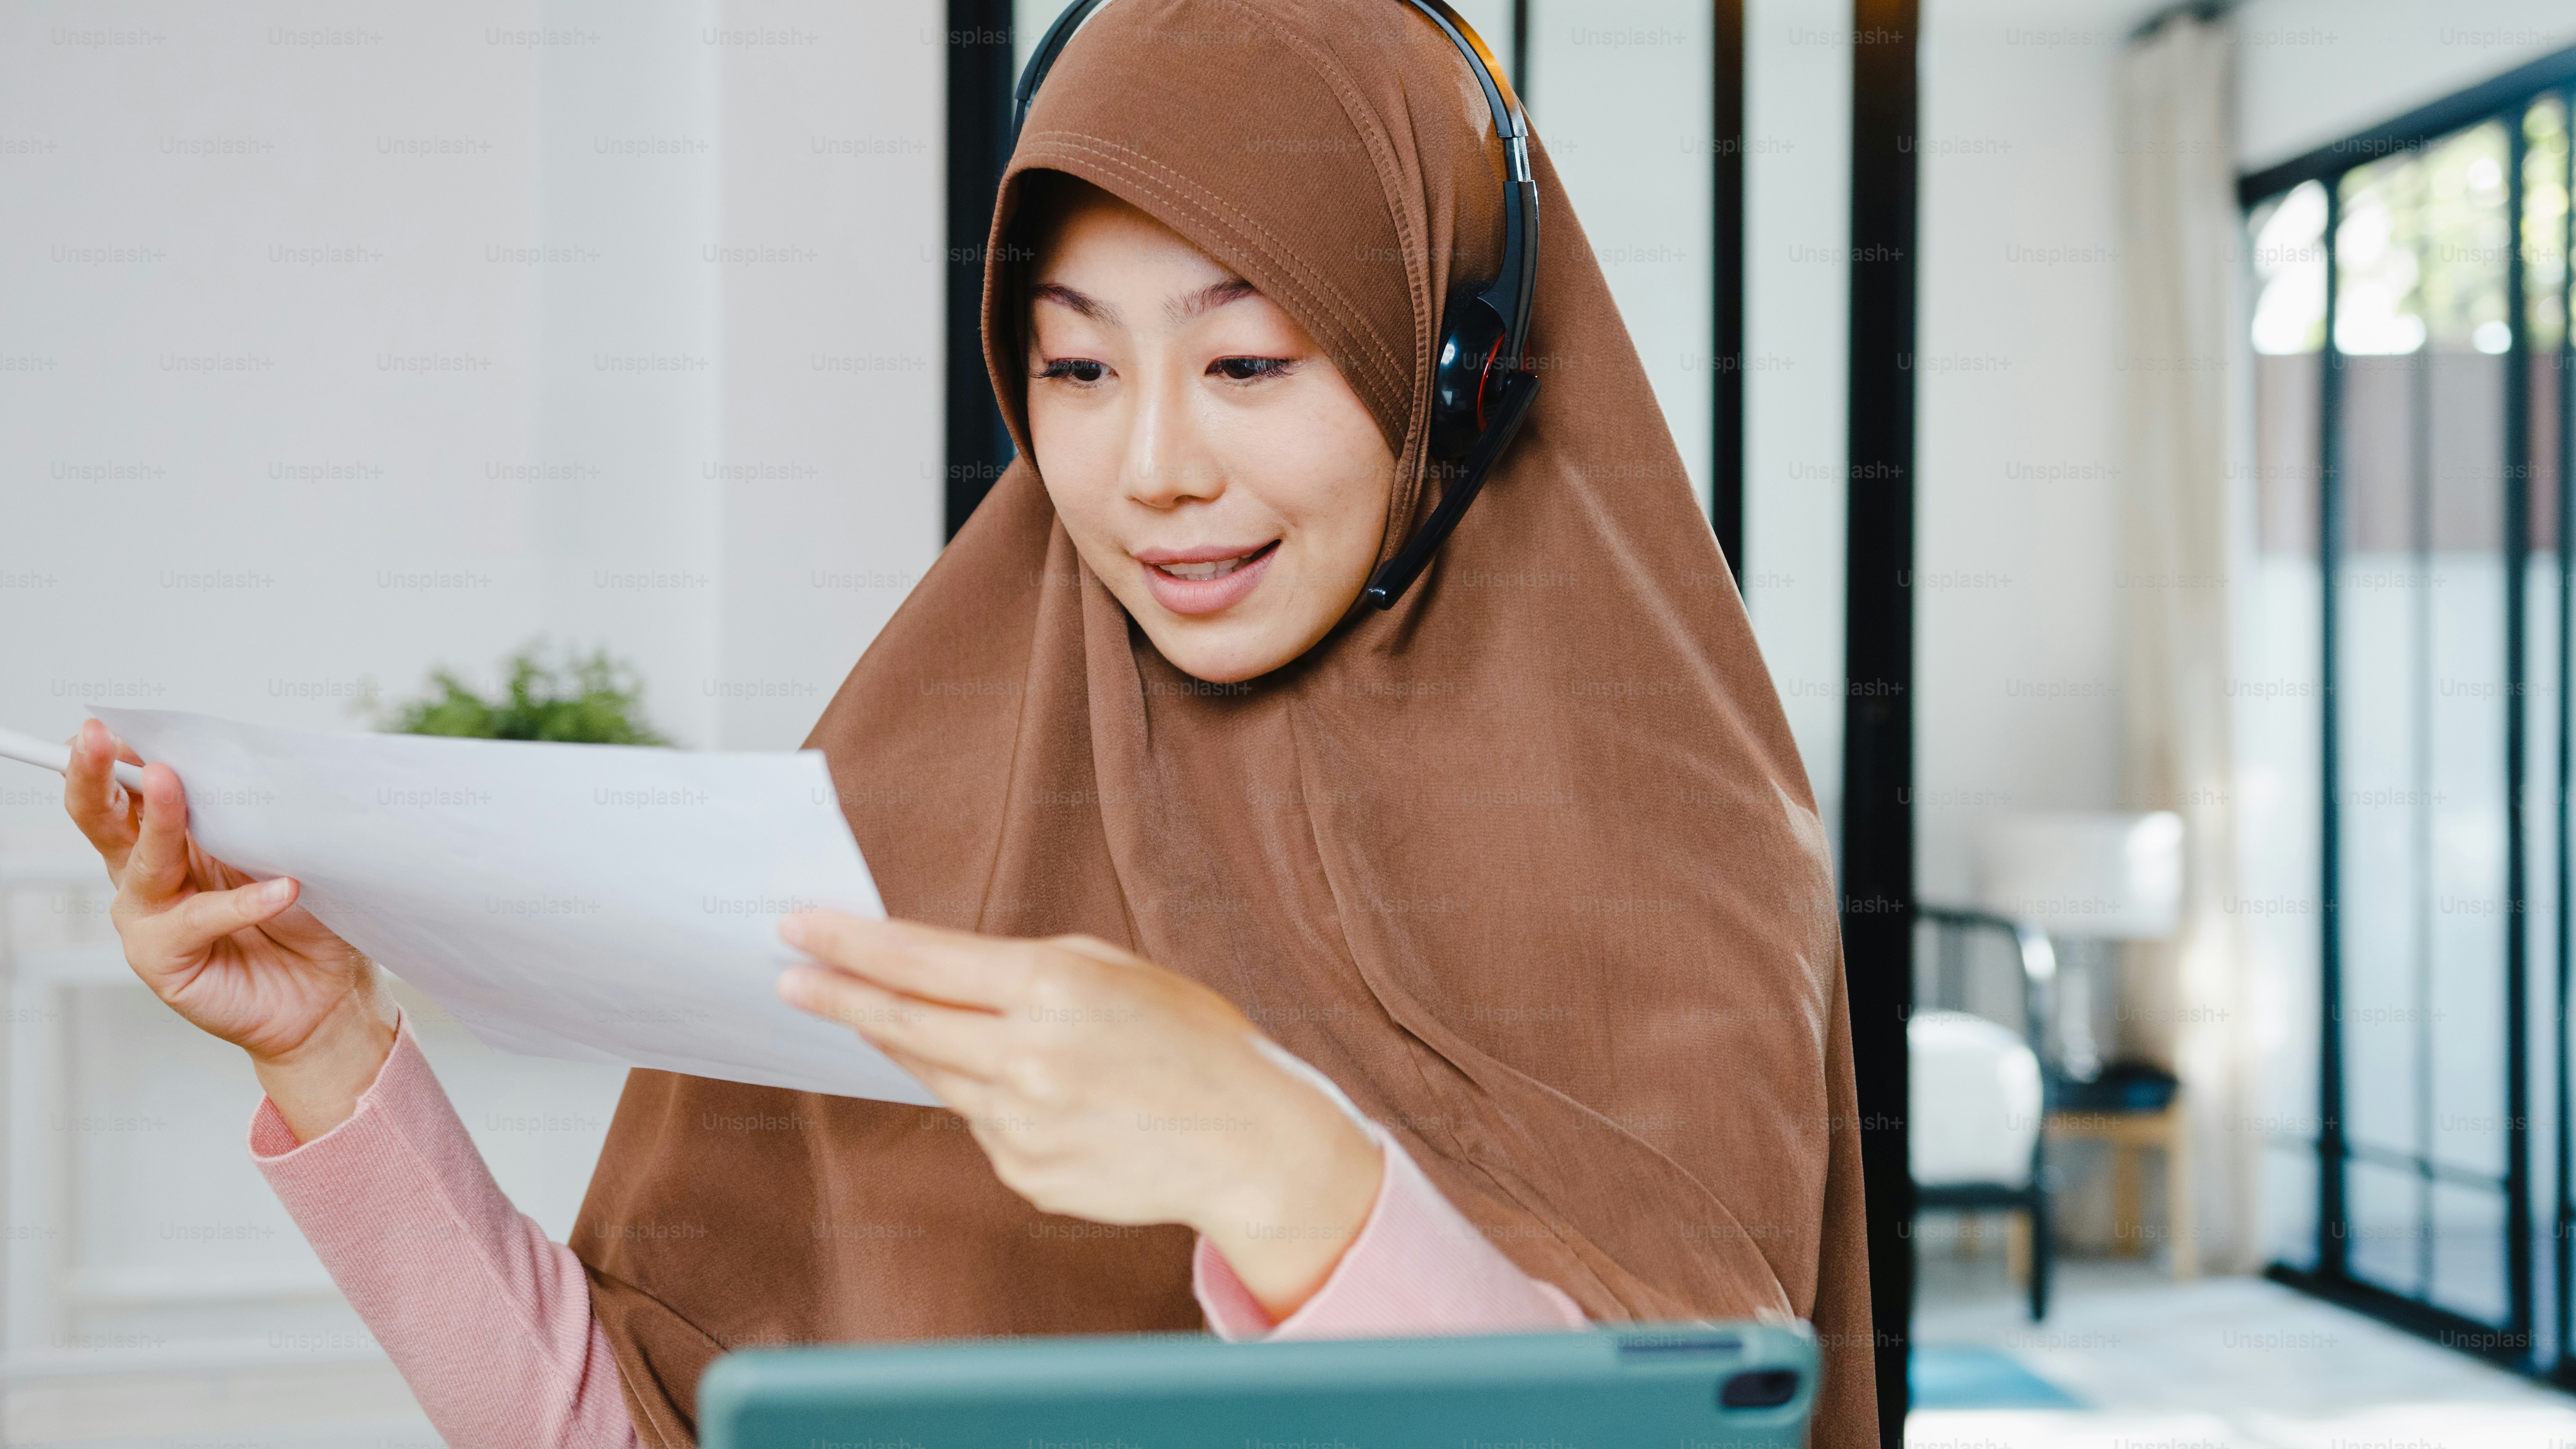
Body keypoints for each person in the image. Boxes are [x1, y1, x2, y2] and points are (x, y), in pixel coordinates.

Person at [62, 3, 1874, 1445]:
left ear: (1454, 374)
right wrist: (330, 1058)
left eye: (1250, 360)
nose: (1151, 468)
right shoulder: (915, 783)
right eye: (1075, 367)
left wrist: (1279, 1164)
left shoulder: (1678, 852)